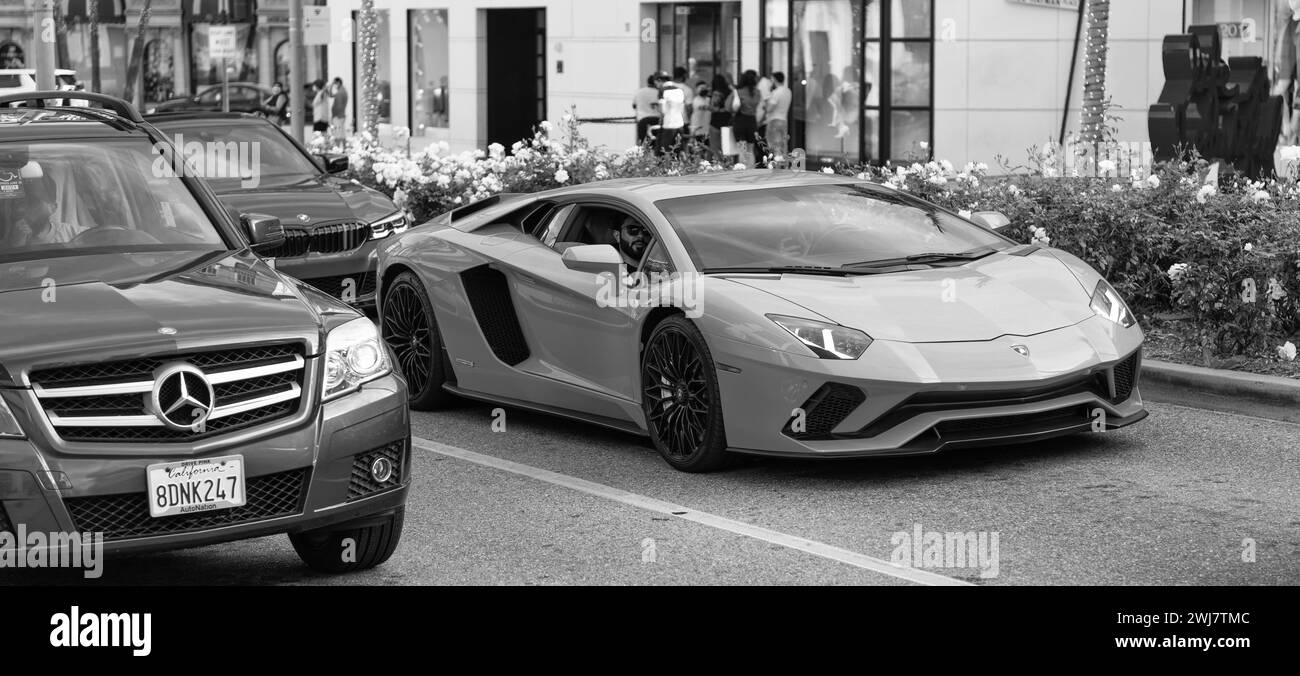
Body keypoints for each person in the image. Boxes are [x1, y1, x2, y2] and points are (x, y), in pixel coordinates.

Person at [656, 66, 693, 155]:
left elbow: (662, 110)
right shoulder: (683, 90)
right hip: (681, 122)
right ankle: (684, 166)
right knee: (681, 148)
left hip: (668, 124)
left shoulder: (664, 89)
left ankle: (668, 168)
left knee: (666, 150)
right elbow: (687, 107)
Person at [733, 70, 764, 165]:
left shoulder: (738, 92)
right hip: (752, 122)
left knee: (742, 149)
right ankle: (751, 170)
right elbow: (762, 109)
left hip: (740, 121)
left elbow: (731, 107)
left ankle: (742, 170)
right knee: (751, 149)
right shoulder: (758, 92)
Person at [764, 72, 792, 159]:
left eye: (772, 79)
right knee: (783, 145)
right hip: (784, 120)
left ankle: (777, 166)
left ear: (775, 80)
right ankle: (784, 166)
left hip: (774, 121)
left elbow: (769, 109)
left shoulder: (776, 92)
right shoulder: (788, 91)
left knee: (774, 145)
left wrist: (765, 105)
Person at [708, 74, 734, 160]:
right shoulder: (730, 92)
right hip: (727, 122)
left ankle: (718, 166)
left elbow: (713, 108)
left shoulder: (716, 93)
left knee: (715, 148)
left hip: (715, 123)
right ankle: (728, 165)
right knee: (727, 148)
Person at [634, 73, 664, 145]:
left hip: (642, 120)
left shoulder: (639, 92)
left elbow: (634, 105)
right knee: (656, 145)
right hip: (656, 120)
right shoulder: (659, 92)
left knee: (641, 145)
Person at [690, 81, 712, 152]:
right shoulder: (696, 100)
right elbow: (702, 107)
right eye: (701, 88)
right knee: (698, 150)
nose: (704, 90)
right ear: (696, 89)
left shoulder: (709, 100)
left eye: (705, 88)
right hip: (698, 130)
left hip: (707, 130)